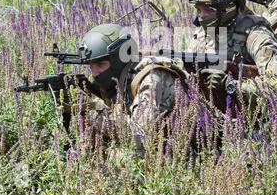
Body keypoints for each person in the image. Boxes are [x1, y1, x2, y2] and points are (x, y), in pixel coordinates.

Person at [62, 23, 189, 157]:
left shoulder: (152, 79)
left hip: (190, 153)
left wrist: (94, 116)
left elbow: (140, 137)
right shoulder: (121, 79)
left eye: (100, 64)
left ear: (118, 60)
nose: (94, 73)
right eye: (90, 65)